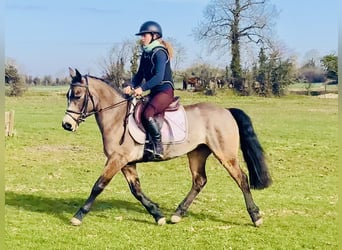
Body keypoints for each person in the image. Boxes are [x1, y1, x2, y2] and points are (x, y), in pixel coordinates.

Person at [123, 21, 175, 160]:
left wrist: (142, 88)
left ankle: (158, 146)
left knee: (147, 113)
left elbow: (158, 77)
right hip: (154, 93)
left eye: (144, 35)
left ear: (154, 36)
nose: (141, 38)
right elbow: (139, 75)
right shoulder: (146, 54)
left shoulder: (160, 53)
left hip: (165, 92)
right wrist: (131, 85)